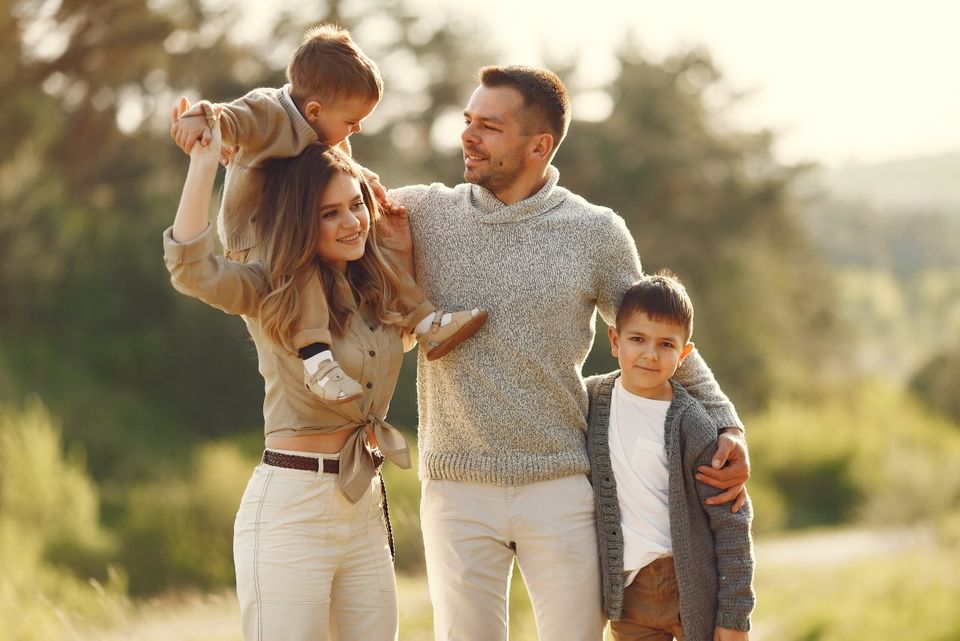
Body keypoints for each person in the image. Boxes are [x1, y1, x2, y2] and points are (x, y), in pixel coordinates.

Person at [385, 65, 751, 641]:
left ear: (539, 145)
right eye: (468, 121)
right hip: (455, 488)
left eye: (489, 126)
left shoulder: (595, 232)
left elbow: (655, 335)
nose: (468, 135)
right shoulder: (422, 213)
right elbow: (330, 190)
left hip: (560, 483)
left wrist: (728, 424)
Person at [164, 106, 415, 640]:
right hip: (292, 508)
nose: (352, 223)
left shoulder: (377, 292)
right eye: (329, 214)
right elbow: (192, 270)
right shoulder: (270, 288)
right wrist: (207, 161)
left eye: (355, 206)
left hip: (363, 501)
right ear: (302, 220)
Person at [171, 23, 486, 405]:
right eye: (351, 121)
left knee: (378, 245)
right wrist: (199, 122)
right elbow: (228, 118)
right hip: (258, 237)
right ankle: (317, 360)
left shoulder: (325, 132)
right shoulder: (269, 112)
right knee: (302, 267)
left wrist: (370, 188)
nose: (357, 129)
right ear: (314, 110)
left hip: (299, 229)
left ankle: (424, 320)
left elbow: (339, 168)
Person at [586, 272, 755, 641]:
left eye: (665, 344)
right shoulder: (590, 402)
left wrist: (734, 616)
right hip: (628, 597)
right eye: (637, 339)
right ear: (614, 340)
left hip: (693, 591)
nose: (649, 353)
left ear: (684, 355)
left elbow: (731, 520)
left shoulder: (691, 422)